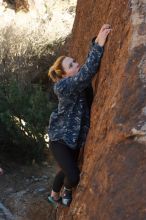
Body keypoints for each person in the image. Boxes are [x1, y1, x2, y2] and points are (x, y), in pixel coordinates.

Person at [47, 24, 111, 207]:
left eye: (74, 61)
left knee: (66, 168)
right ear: (64, 75)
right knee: (73, 176)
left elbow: (83, 72)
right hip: (60, 140)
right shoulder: (62, 87)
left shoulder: (76, 83)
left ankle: (53, 195)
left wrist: (93, 44)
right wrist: (99, 43)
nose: (76, 64)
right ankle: (66, 190)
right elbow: (86, 73)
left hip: (74, 140)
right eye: (71, 65)